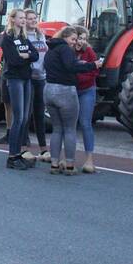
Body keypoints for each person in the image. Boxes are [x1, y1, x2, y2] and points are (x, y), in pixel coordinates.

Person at [44, 26, 99, 175]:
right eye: (73, 39)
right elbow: (71, 66)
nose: (75, 42)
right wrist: (92, 65)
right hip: (65, 91)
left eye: (77, 39)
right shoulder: (66, 50)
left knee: (57, 129)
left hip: (49, 90)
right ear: (65, 37)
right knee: (69, 129)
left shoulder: (50, 49)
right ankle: (69, 165)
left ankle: (54, 164)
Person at [0, 9, 39, 170]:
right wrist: (26, 56)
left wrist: (27, 56)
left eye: (24, 18)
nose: (23, 20)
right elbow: (13, 60)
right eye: (21, 18)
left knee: (24, 118)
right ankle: (12, 156)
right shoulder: (7, 38)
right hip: (14, 79)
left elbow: (35, 55)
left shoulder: (23, 37)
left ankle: (17, 154)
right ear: (13, 19)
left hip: (26, 79)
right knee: (18, 117)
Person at [23, 9, 50, 162]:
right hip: (29, 78)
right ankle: (25, 147)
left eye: (35, 18)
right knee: (26, 113)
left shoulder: (41, 35)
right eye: (30, 18)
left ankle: (43, 148)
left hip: (41, 78)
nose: (33, 21)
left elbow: (45, 55)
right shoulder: (23, 37)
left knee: (39, 114)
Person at [74, 26, 100, 173]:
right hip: (72, 90)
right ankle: (67, 158)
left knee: (85, 123)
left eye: (84, 39)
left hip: (86, 90)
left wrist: (79, 76)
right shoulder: (69, 52)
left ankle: (89, 159)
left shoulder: (89, 52)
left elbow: (94, 71)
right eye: (79, 38)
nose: (81, 41)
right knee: (69, 125)